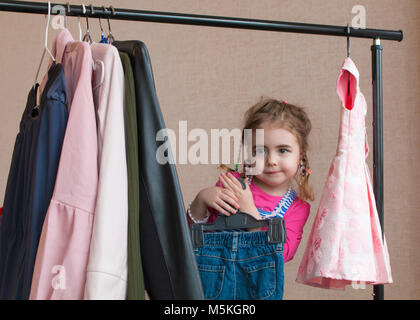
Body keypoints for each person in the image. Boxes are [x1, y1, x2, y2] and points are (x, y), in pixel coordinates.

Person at [187, 97, 314, 264]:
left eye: (283, 150)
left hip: (257, 287)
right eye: (260, 150)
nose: (272, 161)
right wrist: (201, 199)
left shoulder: (297, 208)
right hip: (213, 281)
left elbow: (282, 255)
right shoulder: (232, 184)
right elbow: (191, 237)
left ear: (301, 155)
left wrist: (249, 211)